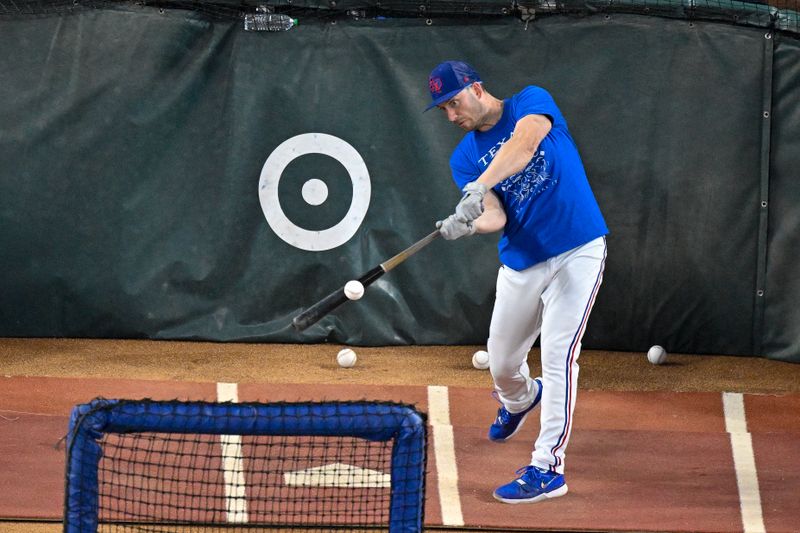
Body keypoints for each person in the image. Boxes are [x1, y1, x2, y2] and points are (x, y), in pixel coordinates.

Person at [425, 60, 609, 503]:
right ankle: (520, 401)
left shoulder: (531, 100)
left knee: (560, 355)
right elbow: (496, 215)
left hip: (578, 247)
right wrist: (467, 223)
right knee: (503, 363)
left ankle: (547, 467)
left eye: (453, 103)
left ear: (476, 88)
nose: (451, 116)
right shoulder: (464, 156)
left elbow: (524, 145)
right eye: (443, 109)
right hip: (523, 262)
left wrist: (478, 185)